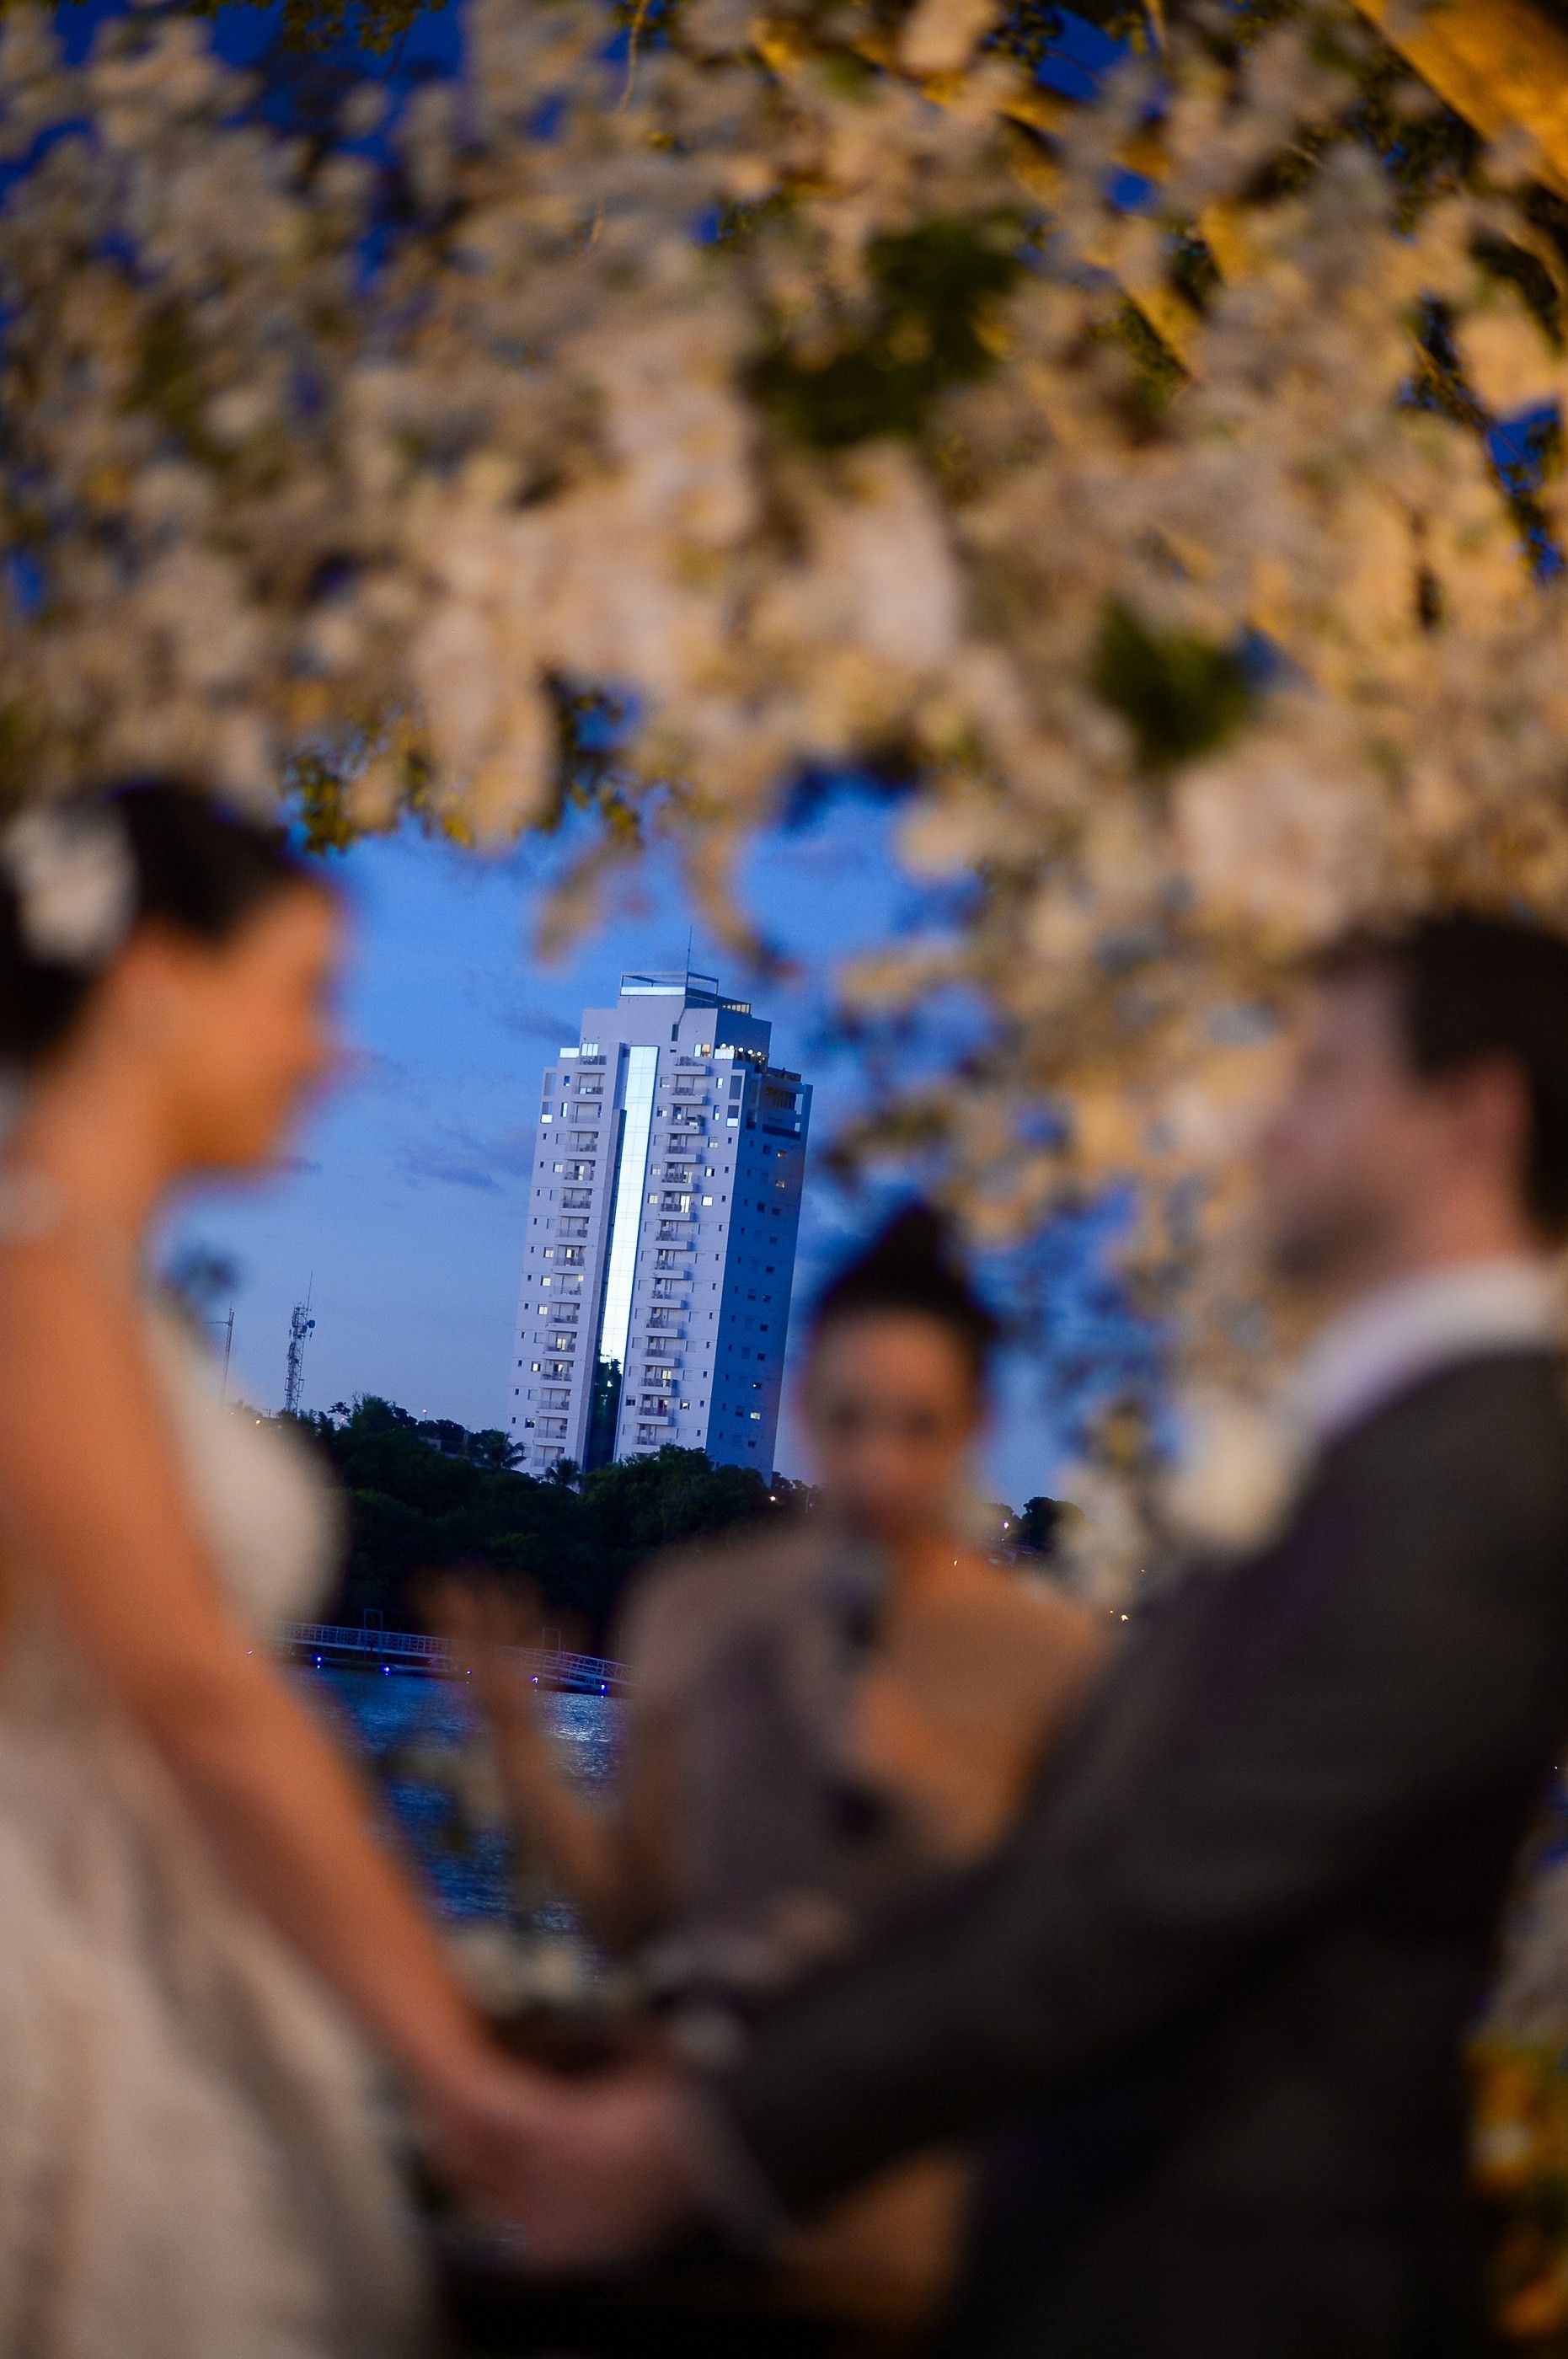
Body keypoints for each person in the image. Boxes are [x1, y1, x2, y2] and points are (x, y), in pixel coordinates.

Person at [505, 910, 1568, 2359]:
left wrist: (710, 2138)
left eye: (1322, 1076)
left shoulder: (1470, 1484)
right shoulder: (1396, 1459)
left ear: (1472, 1119)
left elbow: (1135, 1902)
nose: (1272, 1127)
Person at [0, 783, 543, 2359]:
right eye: (302, 994)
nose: (331, 1051)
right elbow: (193, 1690)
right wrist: (453, 2065)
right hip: (64, 1932)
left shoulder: (92, 1290)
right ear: (158, 982)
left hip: (152, 1919)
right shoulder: (35, 1282)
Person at [439, 1204, 1110, 2319]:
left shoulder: (1046, 1654)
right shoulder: (695, 1605)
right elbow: (628, 1916)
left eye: (916, 1427)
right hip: (678, 2162)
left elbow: (1071, 1974)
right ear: (800, 1406)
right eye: (847, 1421)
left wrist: (918, 1792)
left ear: (973, 1429)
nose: (876, 1466)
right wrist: (519, 1746)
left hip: (902, 2211)